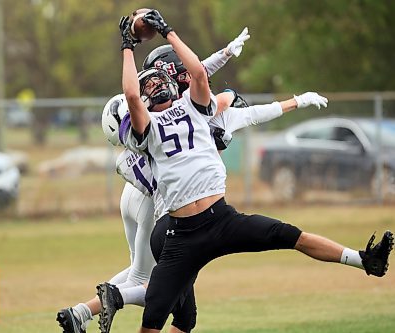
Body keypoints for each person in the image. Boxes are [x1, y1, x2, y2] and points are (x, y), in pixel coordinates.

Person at [117, 9, 393, 333]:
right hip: (181, 235)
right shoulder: (145, 128)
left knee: (291, 235)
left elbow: (200, 75)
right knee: (152, 324)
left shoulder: (194, 107)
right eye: (147, 83)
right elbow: (132, 95)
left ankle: (364, 260)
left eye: (155, 78)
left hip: (220, 219)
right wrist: (127, 45)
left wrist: (169, 32)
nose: (153, 83)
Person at [56, 24, 251, 333]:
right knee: (157, 288)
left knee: (148, 280)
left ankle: (79, 313)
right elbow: (209, 94)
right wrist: (229, 95)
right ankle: (113, 298)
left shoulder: (144, 107)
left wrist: (227, 53)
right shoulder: (172, 103)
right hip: (162, 206)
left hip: (133, 197)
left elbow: (201, 72)